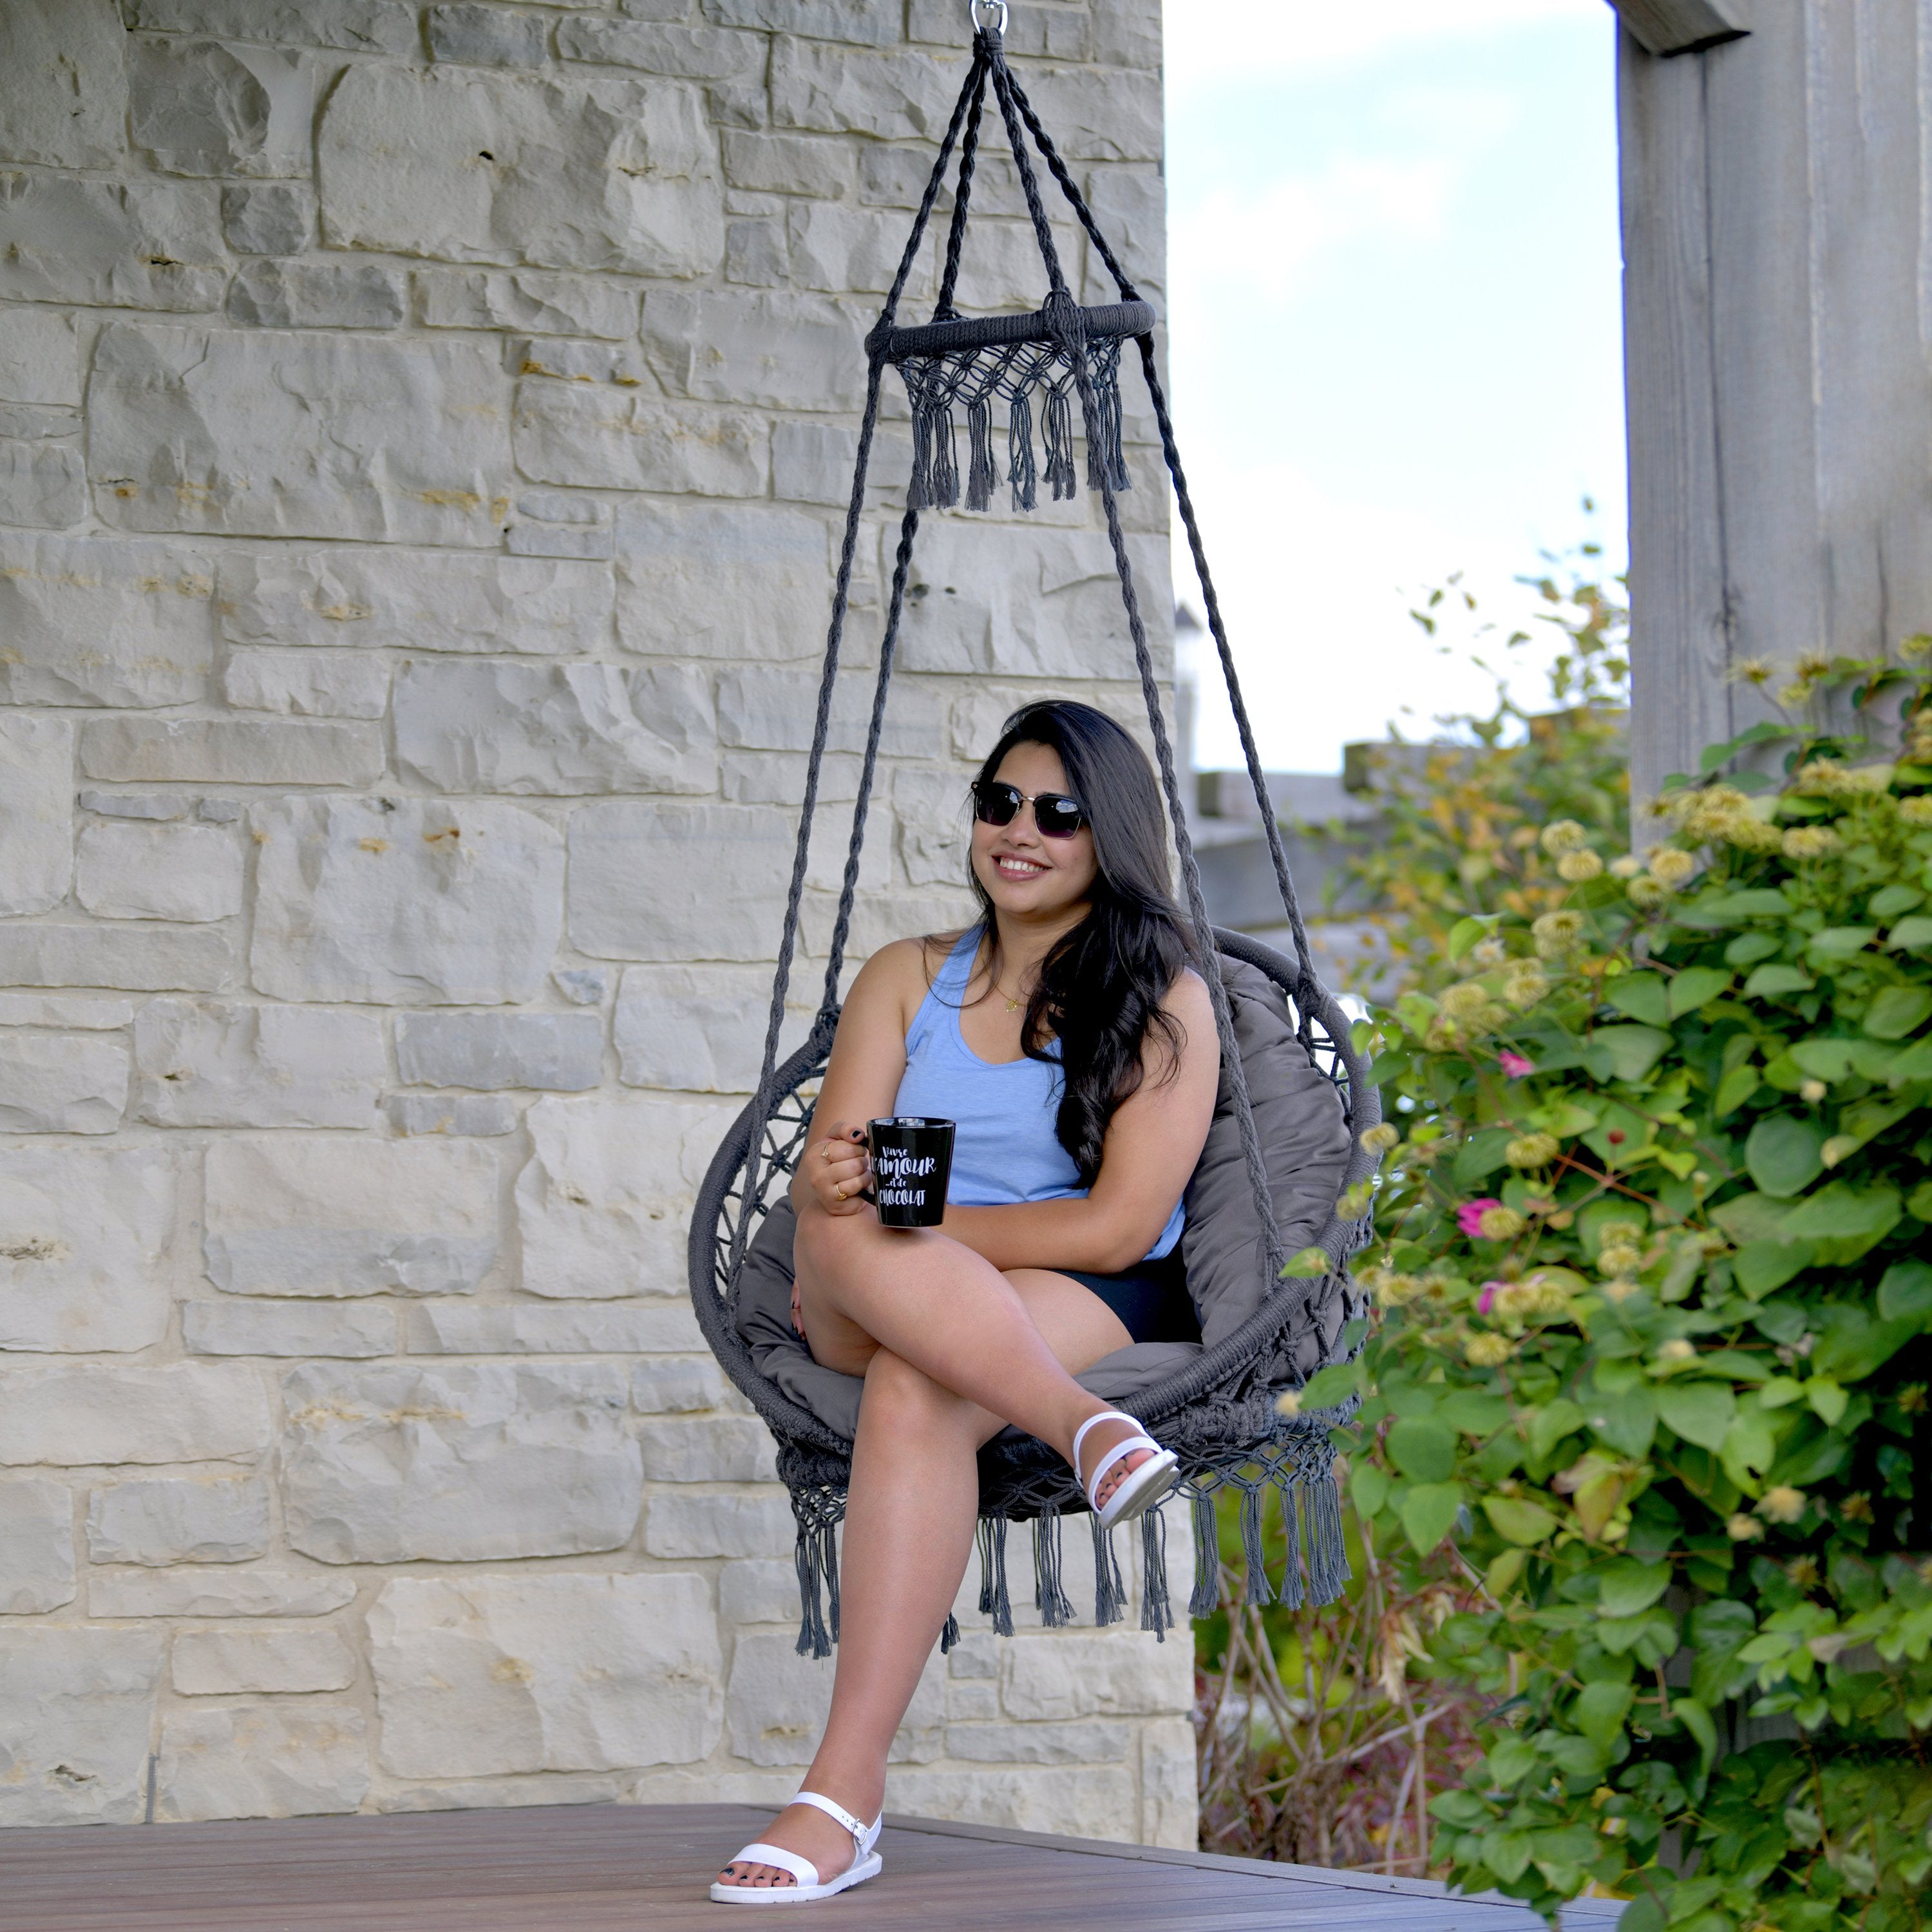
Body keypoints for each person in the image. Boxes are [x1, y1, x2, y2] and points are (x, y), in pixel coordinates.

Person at [712, 700, 1221, 1905]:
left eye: (1061, 812)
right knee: (848, 1229)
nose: (1021, 831)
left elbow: (1117, 1226)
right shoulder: (904, 976)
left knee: (917, 1383)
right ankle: (1082, 1427)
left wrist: (930, 1234)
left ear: (1113, 837)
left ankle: (839, 1796)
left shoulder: (1163, 999)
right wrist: (840, 1181)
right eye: (999, 803)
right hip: (865, 1280)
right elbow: (834, 1178)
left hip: (1081, 1286)